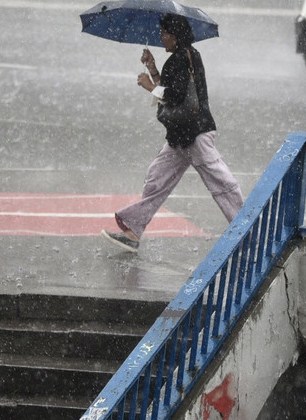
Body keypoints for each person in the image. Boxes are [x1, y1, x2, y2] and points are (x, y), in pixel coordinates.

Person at [102, 13, 244, 252]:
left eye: (165, 34)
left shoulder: (182, 58)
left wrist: (150, 87)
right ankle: (133, 230)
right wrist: (153, 69)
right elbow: (173, 89)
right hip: (181, 135)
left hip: (195, 135)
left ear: (176, 36)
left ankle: (246, 230)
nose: (161, 37)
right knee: (157, 179)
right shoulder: (184, 57)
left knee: (221, 182)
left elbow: (175, 96)